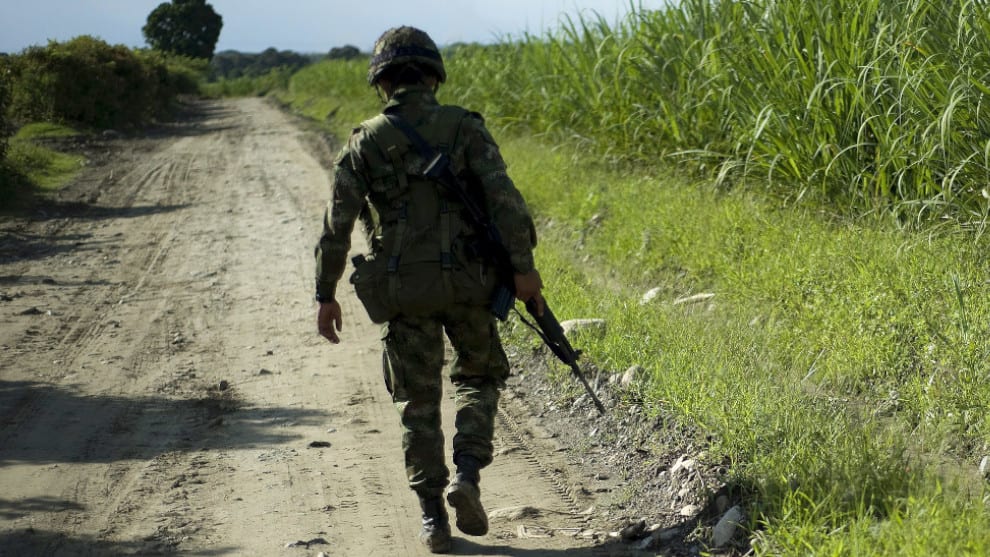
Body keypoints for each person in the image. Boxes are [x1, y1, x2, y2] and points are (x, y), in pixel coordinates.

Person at [314, 26, 544, 554]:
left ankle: (432, 519)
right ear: (434, 76)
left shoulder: (365, 141)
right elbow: (506, 203)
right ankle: (467, 473)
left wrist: (325, 294)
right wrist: (524, 270)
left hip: (403, 291)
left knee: (416, 401)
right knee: (479, 377)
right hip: (469, 283)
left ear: (382, 82)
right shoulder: (465, 127)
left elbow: (337, 225)